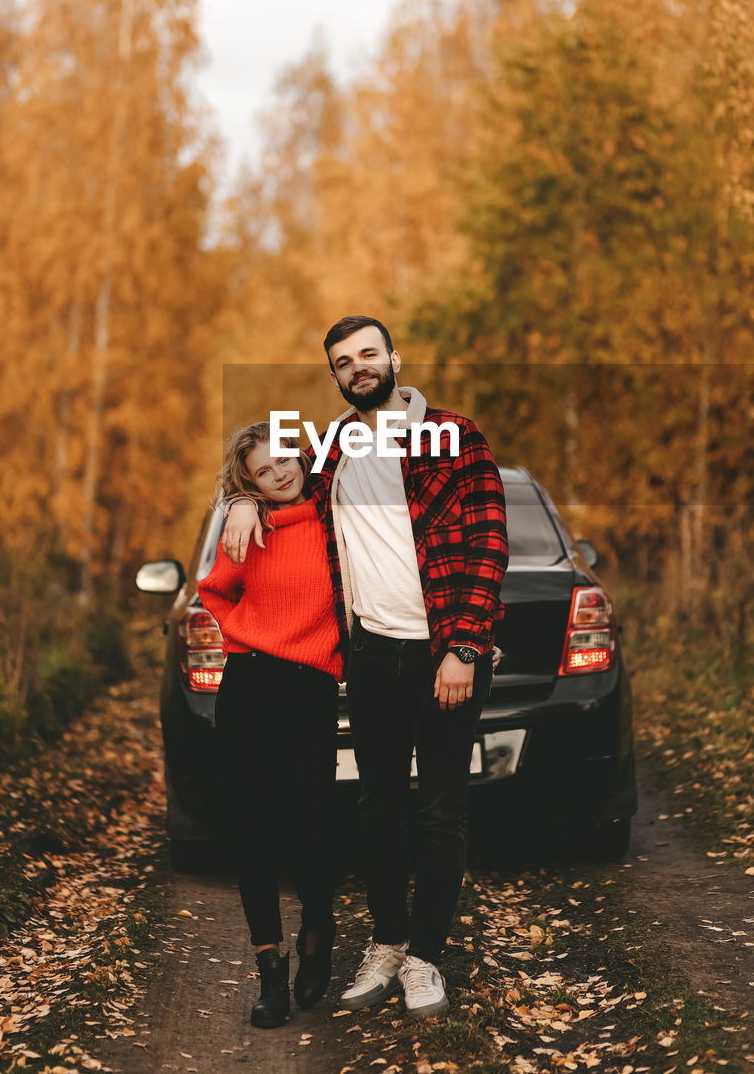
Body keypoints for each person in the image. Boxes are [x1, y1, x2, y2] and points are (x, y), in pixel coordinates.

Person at [223, 317, 509, 1019]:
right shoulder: (332, 450)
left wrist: (463, 646)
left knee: (441, 811)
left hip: (445, 649)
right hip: (374, 655)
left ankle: (425, 961)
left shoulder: (454, 436)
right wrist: (235, 502)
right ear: (334, 376)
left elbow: (488, 544)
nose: (358, 367)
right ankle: (385, 941)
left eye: (368, 354)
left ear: (393, 359)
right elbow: (272, 483)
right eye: (343, 361)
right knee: (378, 808)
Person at [198, 422, 342, 1029]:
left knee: (310, 828)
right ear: (248, 481)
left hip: (309, 687)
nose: (280, 472)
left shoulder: (335, 516)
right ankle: (270, 974)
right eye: (262, 471)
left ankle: (317, 931)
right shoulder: (247, 531)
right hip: (250, 686)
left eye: (286, 458)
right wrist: (246, 635)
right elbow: (213, 591)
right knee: (253, 832)